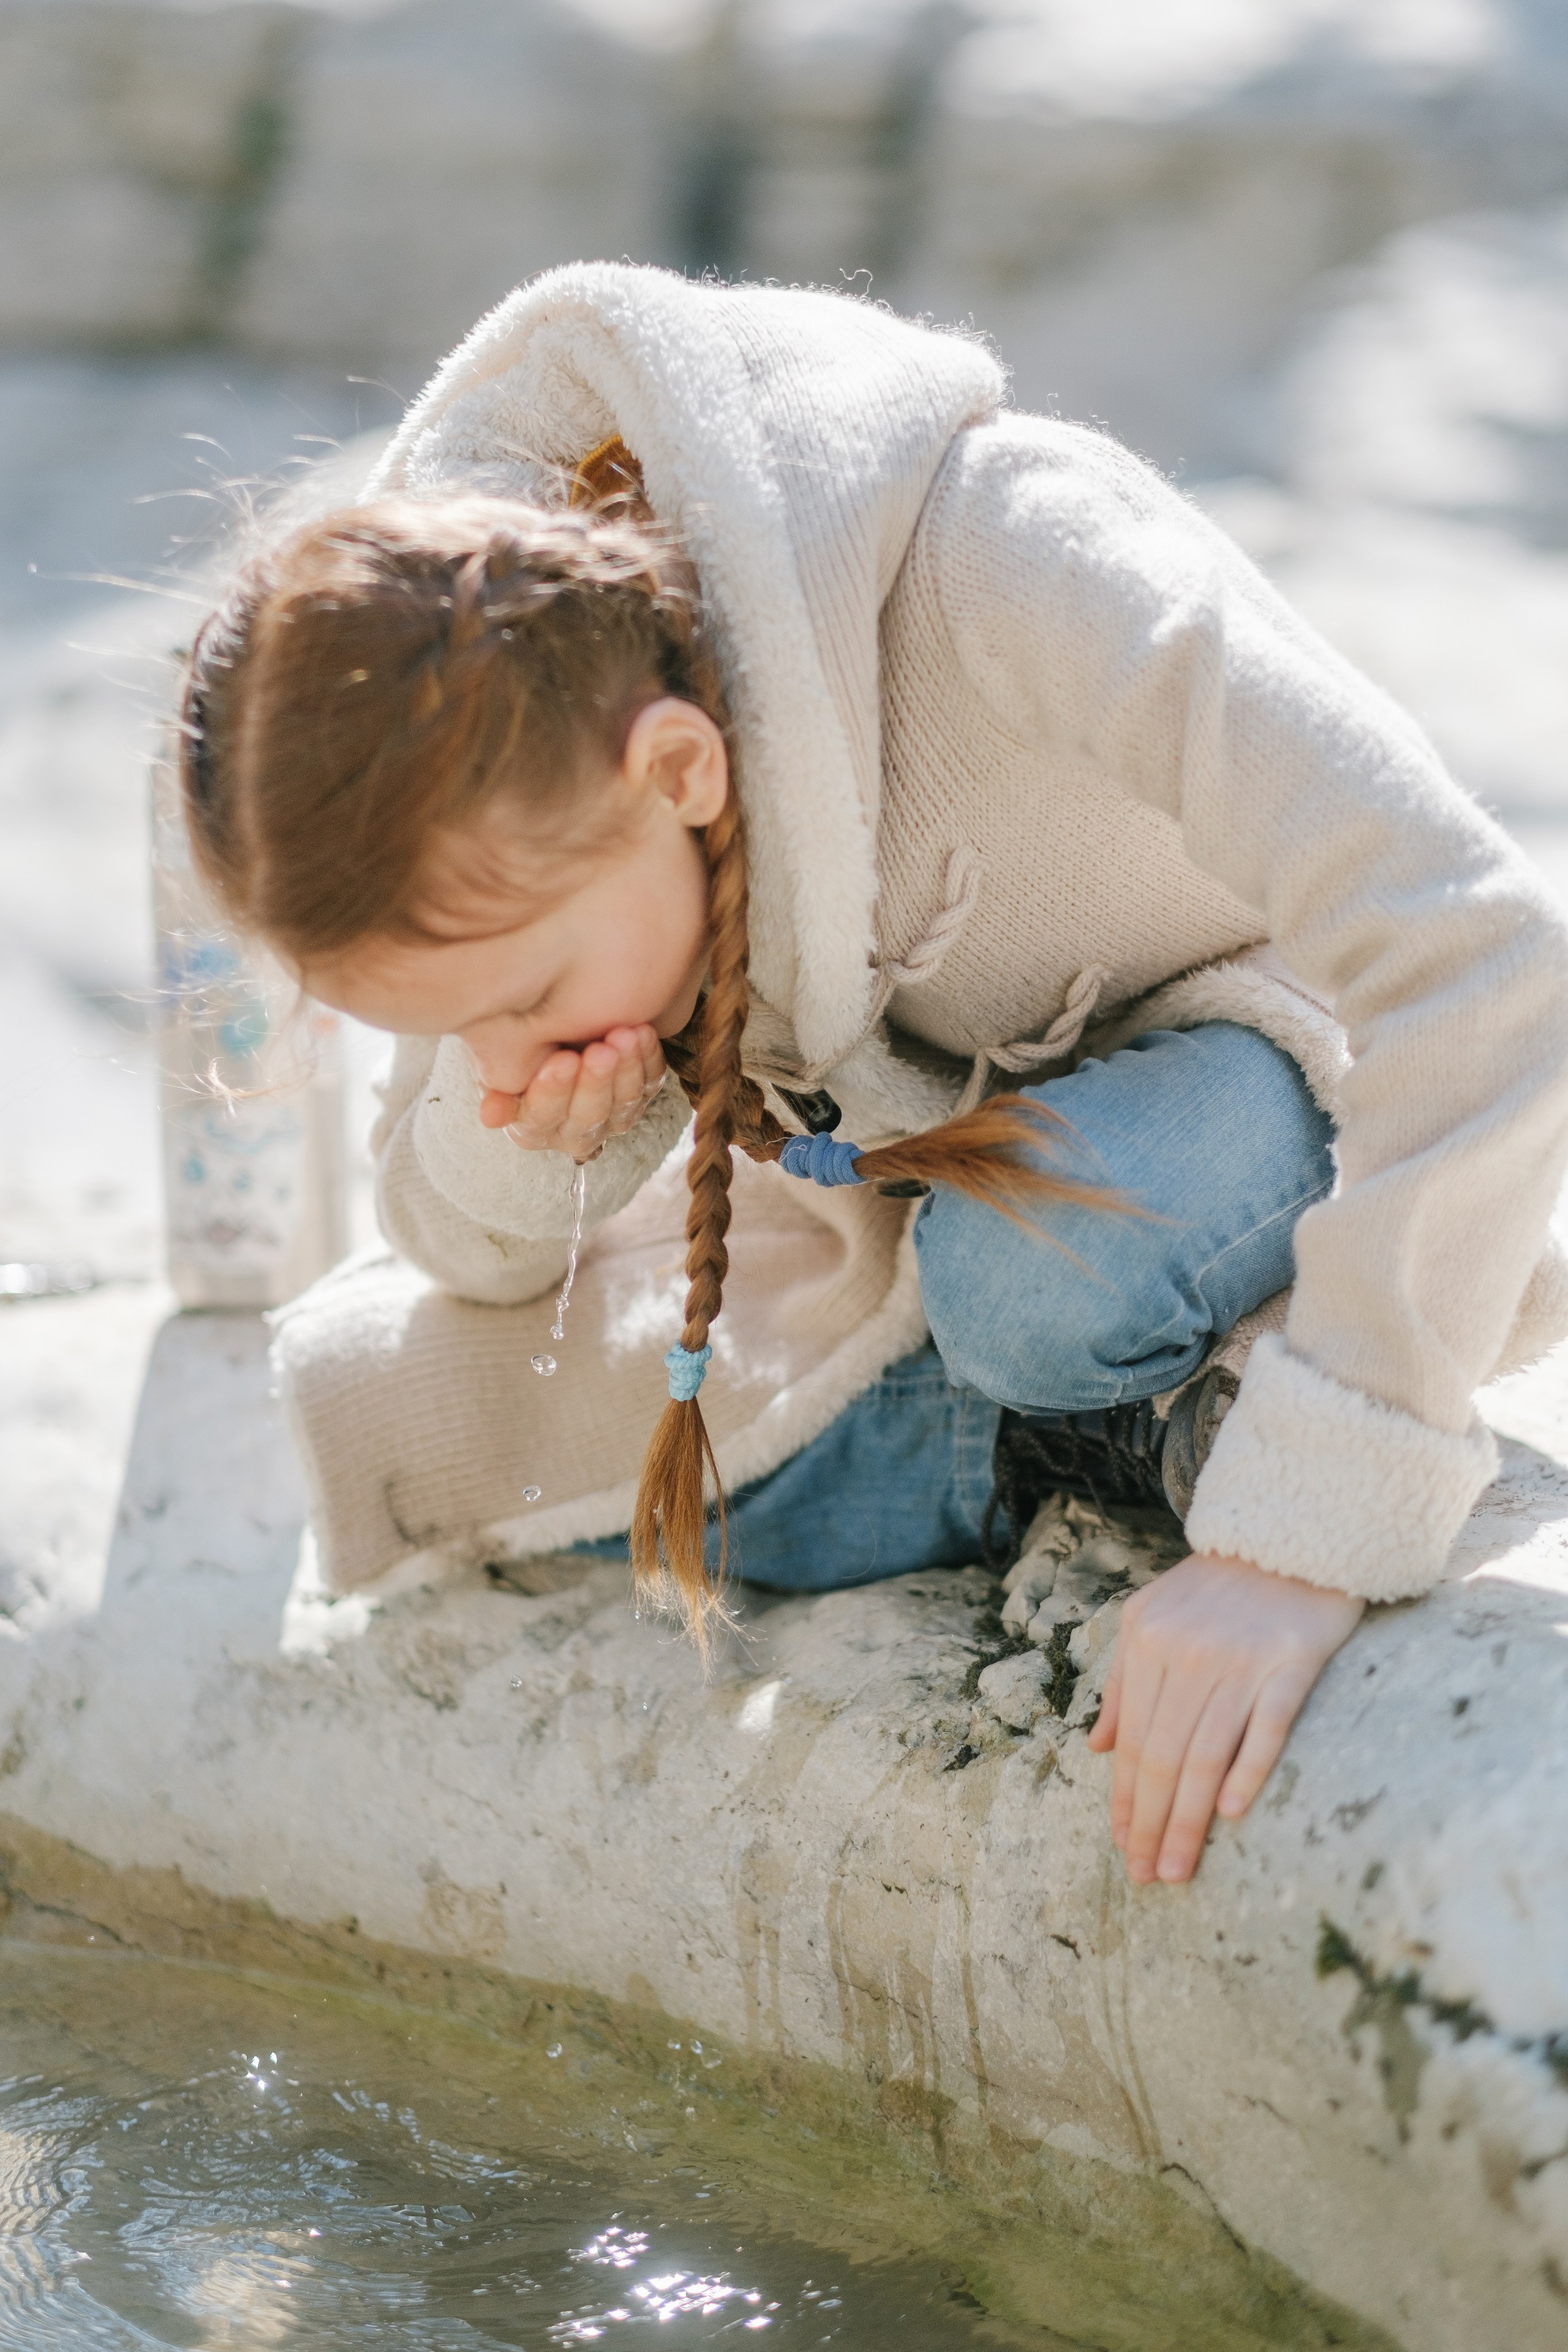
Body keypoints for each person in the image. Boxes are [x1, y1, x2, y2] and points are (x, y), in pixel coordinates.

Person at [179, 263, 1568, 1888]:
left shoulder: (1012, 552)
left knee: (1035, 1276)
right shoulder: (500, 803)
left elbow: (1486, 950)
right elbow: (465, 1247)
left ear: (681, 776)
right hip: (896, 1196)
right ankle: (1107, 1436)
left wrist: (1306, 1535)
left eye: (528, 999)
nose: (488, 1053)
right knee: (402, 1402)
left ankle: (1208, 1405)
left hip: (1227, 1101)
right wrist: (543, 1118)